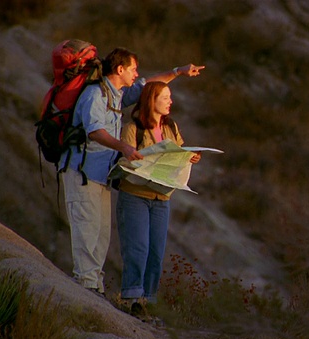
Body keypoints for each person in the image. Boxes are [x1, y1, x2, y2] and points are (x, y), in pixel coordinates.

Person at [59, 46, 204, 297]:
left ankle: (94, 286)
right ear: (120, 69)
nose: (137, 74)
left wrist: (178, 72)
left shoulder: (116, 95)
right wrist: (123, 147)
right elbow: (94, 131)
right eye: (134, 69)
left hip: (99, 175)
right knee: (88, 230)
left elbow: (150, 86)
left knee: (101, 234)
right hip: (81, 172)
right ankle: (86, 287)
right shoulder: (95, 95)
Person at [116, 81, 202, 312]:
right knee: (138, 248)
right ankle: (132, 299)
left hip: (161, 198)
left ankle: (148, 301)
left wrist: (190, 157)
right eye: (165, 97)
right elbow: (124, 161)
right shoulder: (132, 129)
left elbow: (180, 152)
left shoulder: (170, 127)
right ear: (151, 101)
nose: (170, 101)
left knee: (156, 251)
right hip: (135, 195)